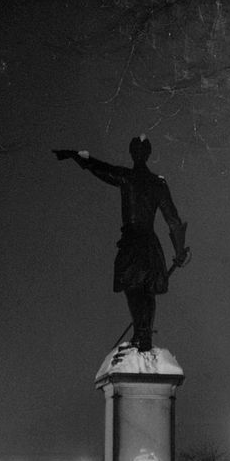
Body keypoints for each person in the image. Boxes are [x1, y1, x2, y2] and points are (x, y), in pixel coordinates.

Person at [53, 135, 189, 352]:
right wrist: (179, 250)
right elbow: (173, 220)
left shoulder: (128, 177)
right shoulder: (157, 184)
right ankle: (142, 333)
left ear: (133, 154)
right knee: (147, 291)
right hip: (149, 244)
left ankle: (142, 333)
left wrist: (77, 157)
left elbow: (101, 169)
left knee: (134, 288)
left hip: (133, 242)